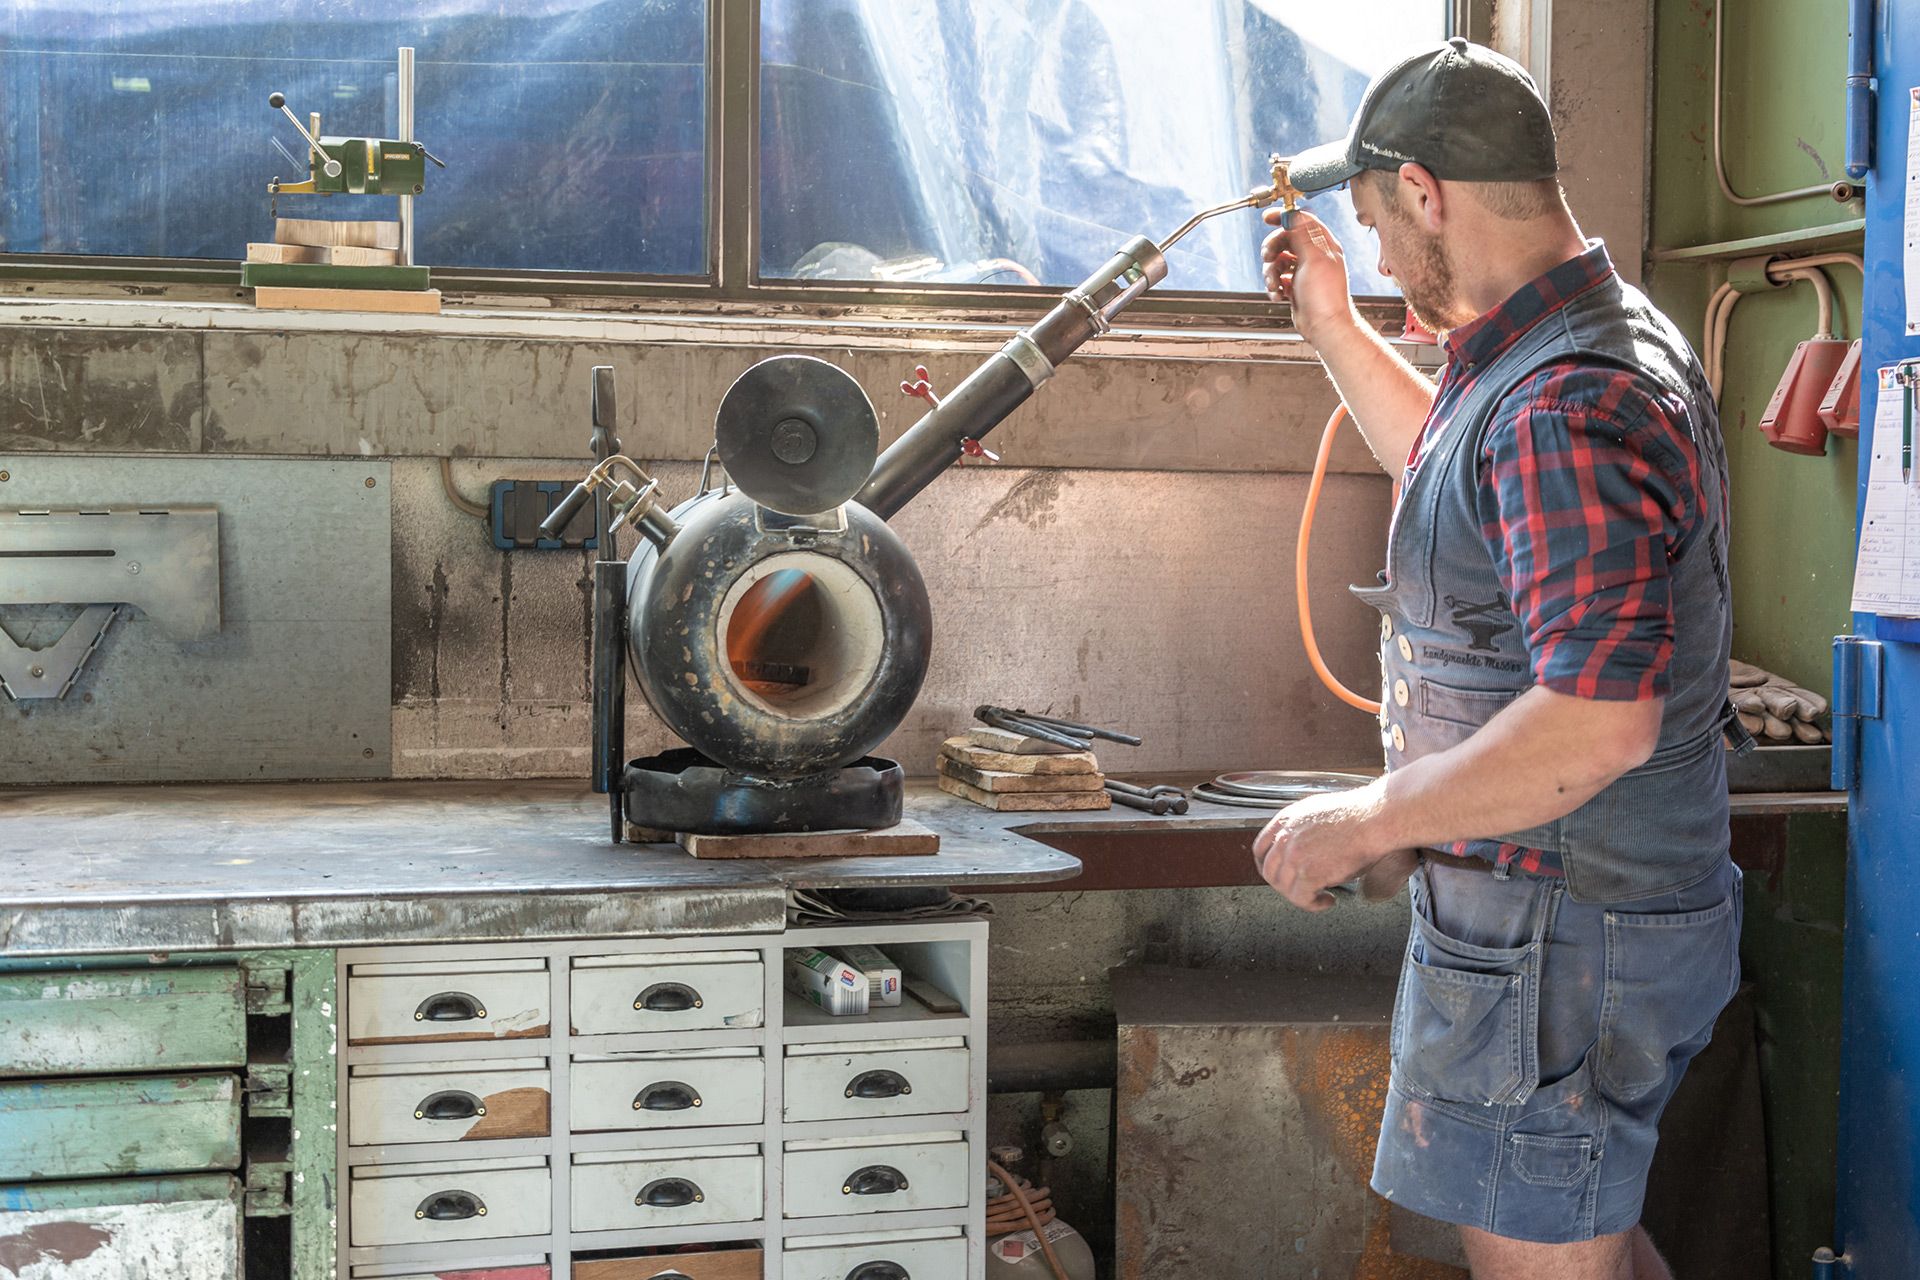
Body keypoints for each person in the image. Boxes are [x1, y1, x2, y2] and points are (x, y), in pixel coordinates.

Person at [1252, 37, 1743, 1280]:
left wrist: (1368, 817)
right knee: (1589, 1242)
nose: (1376, 258)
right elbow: (1474, 477)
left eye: (1377, 223)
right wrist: (1333, 330)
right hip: (1577, 921)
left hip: (1559, 938)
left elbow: (1598, 720)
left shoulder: (1564, 398)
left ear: (1425, 192)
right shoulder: (1580, 346)